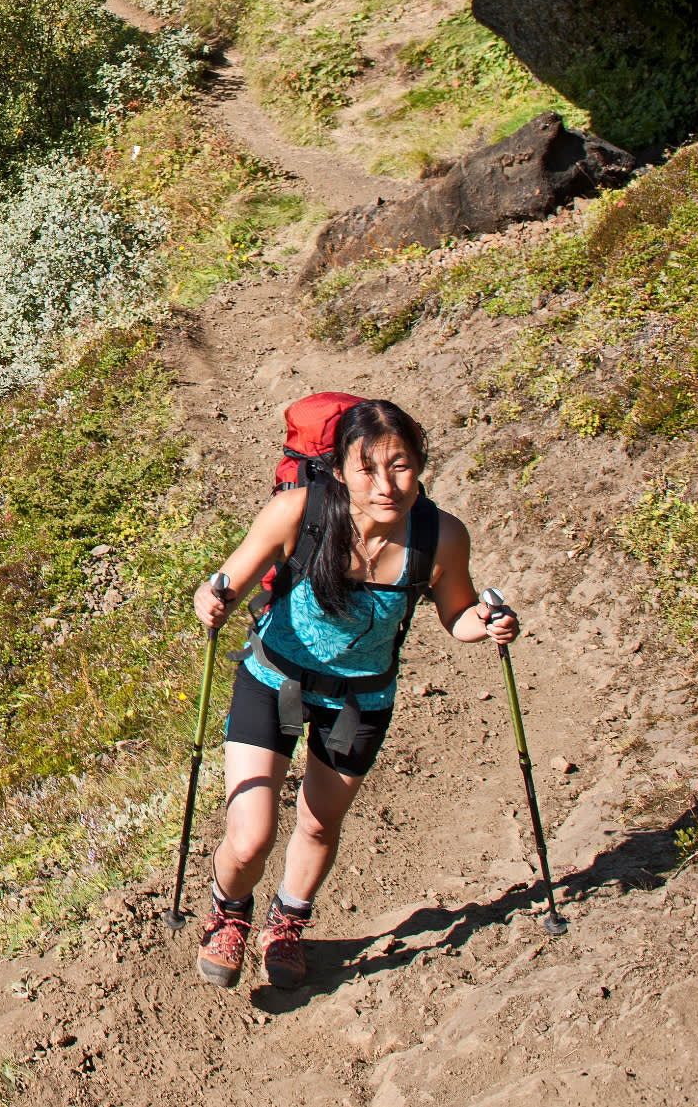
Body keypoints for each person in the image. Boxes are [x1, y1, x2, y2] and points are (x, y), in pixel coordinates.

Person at [188, 397, 520, 990]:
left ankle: (286, 924)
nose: (386, 484)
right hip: (272, 679)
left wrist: (487, 623)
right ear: (339, 470)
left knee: (319, 824)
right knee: (250, 835)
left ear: (420, 466)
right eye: (367, 469)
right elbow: (224, 583)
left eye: (401, 465)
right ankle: (229, 914)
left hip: (361, 699)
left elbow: (458, 614)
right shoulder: (297, 512)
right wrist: (212, 601)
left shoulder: (440, 536)